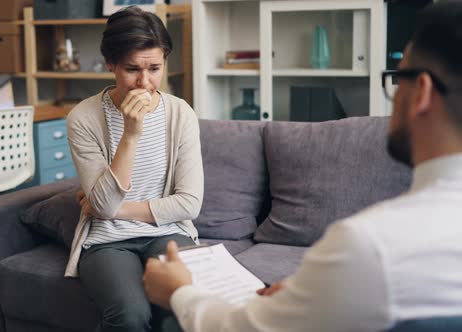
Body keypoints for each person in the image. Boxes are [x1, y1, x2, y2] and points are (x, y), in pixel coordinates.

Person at [142, 2, 462, 331]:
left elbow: (241, 328)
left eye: (397, 78)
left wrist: (179, 291)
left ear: (421, 91)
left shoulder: (369, 245)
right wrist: (310, 299)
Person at [65, 6, 203, 332]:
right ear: (110, 63)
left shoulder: (180, 114)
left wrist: (113, 210)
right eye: (132, 69)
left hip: (169, 232)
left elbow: (189, 204)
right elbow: (102, 206)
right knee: (130, 315)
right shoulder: (83, 118)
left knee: (182, 308)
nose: (145, 82)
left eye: (155, 68)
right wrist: (131, 133)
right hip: (107, 242)